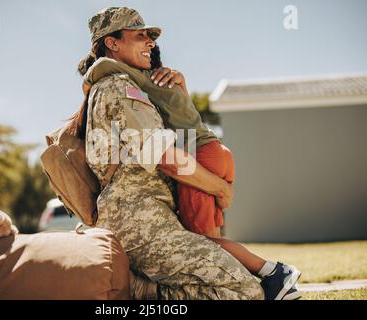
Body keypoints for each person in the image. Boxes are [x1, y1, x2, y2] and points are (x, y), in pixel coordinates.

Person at [70, 6, 292, 300]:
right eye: (140, 36)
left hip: (149, 219)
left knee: (239, 281)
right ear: (112, 42)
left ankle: (134, 288)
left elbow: (185, 132)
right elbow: (167, 159)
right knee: (243, 289)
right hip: (140, 223)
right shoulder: (117, 86)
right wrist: (220, 187)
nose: (150, 42)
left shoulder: (118, 85)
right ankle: (134, 291)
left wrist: (180, 93)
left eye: (150, 36)